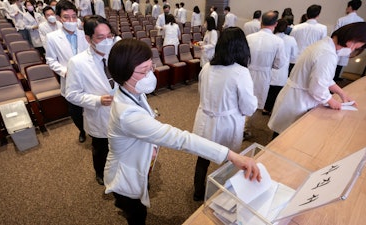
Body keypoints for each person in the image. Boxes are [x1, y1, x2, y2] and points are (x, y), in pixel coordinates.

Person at [104, 38, 261, 225]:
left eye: (150, 67)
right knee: (137, 213)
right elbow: (179, 139)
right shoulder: (127, 113)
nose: (150, 75)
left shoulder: (132, 91)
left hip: (138, 162)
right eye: (143, 71)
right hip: (125, 173)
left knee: (136, 200)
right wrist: (231, 155)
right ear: (123, 74)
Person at [268, 22, 366, 138]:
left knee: (282, 134)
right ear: (352, 40)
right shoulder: (327, 54)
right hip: (299, 100)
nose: (353, 50)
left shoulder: (323, 45)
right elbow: (317, 87)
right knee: (285, 138)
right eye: (356, 47)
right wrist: (331, 101)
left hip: (295, 96)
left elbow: (324, 78)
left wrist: (341, 93)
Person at [192, 27, 258, 201]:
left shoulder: (207, 67)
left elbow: (201, 92)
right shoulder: (240, 72)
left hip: (205, 119)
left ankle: (198, 192)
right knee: (232, 160)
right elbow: (248, 107)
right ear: (242, 47)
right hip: (227, 122)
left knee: (203, 157)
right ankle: (225, 195)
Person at [66, 15, 120, 186]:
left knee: (120, 144)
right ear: (88, 38)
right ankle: (100, 173)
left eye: (109, 36)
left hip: (121, 110)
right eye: (100, 37)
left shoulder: (116, 53)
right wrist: (97, 100)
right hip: (99, 114)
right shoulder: (77, 62)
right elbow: (72, 94)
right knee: (101, 148)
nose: (107, 41)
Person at [46, 0, 89, 143]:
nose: (71, 20)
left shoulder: (85, 34)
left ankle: (95, 130)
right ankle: (82, 131)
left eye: (73, 16)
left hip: (88, 77)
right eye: (66, 17)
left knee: (92, 107)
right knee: (75, 111)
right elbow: (51, 60)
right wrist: (65, 72)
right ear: (59, 18)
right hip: (69, 79)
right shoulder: (52, 38)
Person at [246, 11, 286, 110]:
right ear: (275, 24)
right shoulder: (278, 41)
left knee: (245, 97)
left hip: (247, 71)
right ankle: (250, 122)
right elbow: (279, 63)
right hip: (264, 74)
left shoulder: (249, 37)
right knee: (257, 100)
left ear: (261, 22)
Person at [263, 19, 298, 115]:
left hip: (269, 67)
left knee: (268, 89)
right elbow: (294, 55)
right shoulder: (291, 40)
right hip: (282, 69)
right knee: (277, 91)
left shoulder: (270, 38)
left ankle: (265, 108)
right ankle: (273, 109)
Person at [333, 0, 364, 81]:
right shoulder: (361, 21)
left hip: (339, 44)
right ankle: (336, 80)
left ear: (349, 7)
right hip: (350, 46)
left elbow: (335, 33)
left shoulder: (342, 19)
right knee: (340, 65)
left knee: (333, 64)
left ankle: (332, 80)